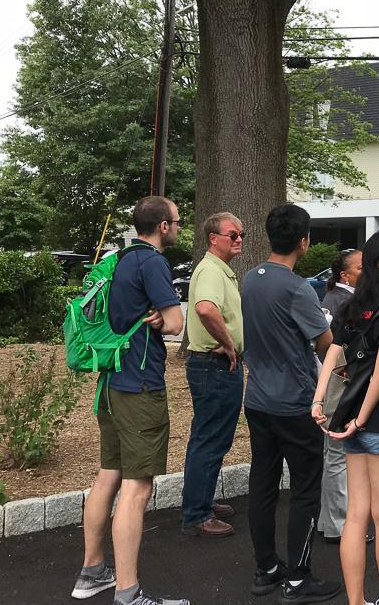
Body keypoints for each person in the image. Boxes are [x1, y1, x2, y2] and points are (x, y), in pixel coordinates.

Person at [71, 196, 188, 605]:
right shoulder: (153, 262)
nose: (178, 225)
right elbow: (175, 323)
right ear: (161, 225)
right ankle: (128, 593)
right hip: (140, 387)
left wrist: (150, 314)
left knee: (108, 476)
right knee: (137, 488)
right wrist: (164, 317)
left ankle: (92, 571)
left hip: (111, 383)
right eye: (176, 220)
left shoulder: (118, 260)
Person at [313, 230, 379, 605]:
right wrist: (361, 420)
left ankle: (356, 601)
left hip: (348, 419)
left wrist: (319, 400)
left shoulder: (357, 302)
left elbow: (333, 352)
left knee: (356, 516)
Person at [240, 204, 341, 603]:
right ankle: (298, 579)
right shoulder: (298, 288)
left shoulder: (249, 279)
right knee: (304, 490)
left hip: (258, 399)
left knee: (262, 484)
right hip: (296, 403)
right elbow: (325, 342)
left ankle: (265, 569)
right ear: (304, 241)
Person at [180, 212, 245, 539]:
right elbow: (206, 309)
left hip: (214, 366)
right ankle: (198, 513)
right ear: (213, 238)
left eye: (241, 235)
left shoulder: (218, 270)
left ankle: (200, 499)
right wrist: (229, 344)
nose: (238, 240)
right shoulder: (209, 270)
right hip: (214, 365)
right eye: (232, 234)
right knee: (209, 438)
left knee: (214, 437)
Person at [316, 248, 365, 546]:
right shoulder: (344, 301)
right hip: (340, 382)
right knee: (337, 454)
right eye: (361, 267)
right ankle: (339, 524)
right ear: (345, 275)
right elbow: (331, 347)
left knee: (333, 455)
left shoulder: (335, 298)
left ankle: (330, 520)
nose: (367, 270)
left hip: (335, 380)